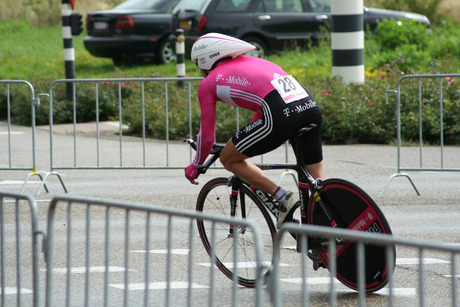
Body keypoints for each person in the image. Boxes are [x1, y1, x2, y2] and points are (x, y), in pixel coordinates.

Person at [184, 33, 324, 229]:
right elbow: (263, 107)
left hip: (282, 115)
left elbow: (206, 138)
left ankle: (284, 199)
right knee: (318, 184)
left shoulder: (209, 83)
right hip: (310, 108)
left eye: (198, 62)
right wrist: (246, 135)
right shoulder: (256, 62)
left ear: (207, 58)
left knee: (228, 158)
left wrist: (196, 165)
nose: (199, 69)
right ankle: (329, 224)